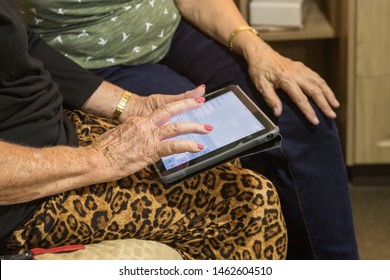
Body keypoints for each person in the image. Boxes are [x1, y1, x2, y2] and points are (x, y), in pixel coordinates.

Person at [17, 0, 359, 259]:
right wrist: (127, 106)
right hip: (86, 64)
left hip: (172, 34)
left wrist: (258, 50)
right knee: (210, 142)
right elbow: (18, 41)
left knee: (301, 109)